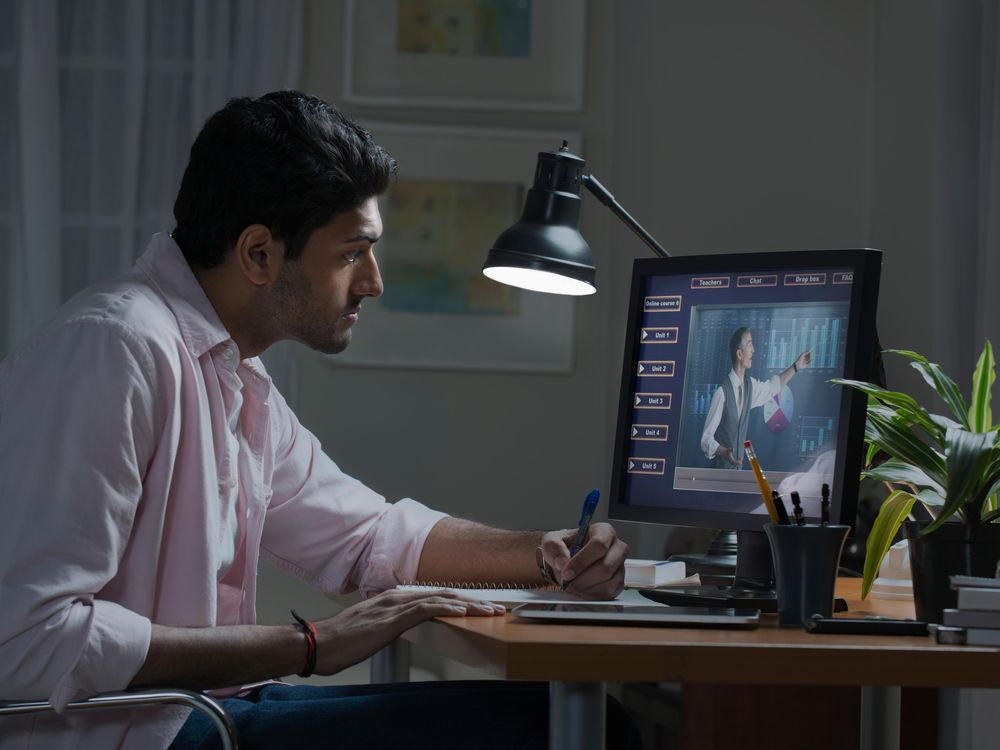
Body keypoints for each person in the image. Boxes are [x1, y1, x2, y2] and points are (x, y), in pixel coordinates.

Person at [0, 92, 638, 750]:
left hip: (192, 713)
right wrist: (310, 645)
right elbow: (21, 637)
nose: (374, 282)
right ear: (258, 254)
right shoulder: (116, 348)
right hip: (130, 734)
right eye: (351, 254)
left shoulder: (232, 373)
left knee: (563, 718)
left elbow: (368, 538)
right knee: (562, 729)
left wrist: (546, 552)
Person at [700, 326, 810, 469]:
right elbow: (705, 440)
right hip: (719, 474)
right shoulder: (722, 393)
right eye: (749, 344)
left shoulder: (749, 386)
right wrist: (724, 451)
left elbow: (772, 387)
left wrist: (796, 366)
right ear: (739, 354)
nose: (753, 350)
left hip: (737, 475)